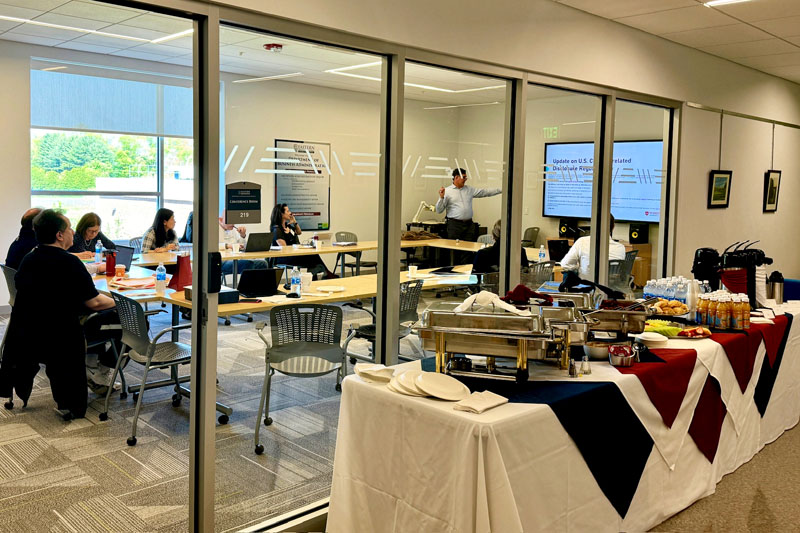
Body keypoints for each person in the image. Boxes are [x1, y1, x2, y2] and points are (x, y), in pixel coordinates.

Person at [0, 210, 116, 419]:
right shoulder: (68, 262)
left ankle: (92, 367)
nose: (73, 232)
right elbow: (95, 302)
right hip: (62, 335)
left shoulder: (30, 258)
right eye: (69, 228)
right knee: (128, 320)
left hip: (32, 332)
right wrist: (121, 301)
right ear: (59, 235)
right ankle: (98, 371)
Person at [436, 168, 501, 264]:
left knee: (468, 250)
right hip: (454, 225)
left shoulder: (469, 190)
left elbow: (485, 192)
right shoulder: (447, 191)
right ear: (456, 177)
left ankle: (466, 270)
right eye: (464, 177)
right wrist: (441, 197)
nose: (466, 179)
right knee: (455, 250)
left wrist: (501, 190)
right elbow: (439, 210)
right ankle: (455, 270)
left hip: (469, 225)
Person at [270, 203, 337, 279]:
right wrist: (296, 247)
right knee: (313, 257)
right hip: (283, 258)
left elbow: (299, 232)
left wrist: (295, 222)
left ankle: (318, 275)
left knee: (313, 256)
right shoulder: (277, 229)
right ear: (281, 214)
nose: (290, 213)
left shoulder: (287, 226)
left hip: (293, 254)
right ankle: (324, 274)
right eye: (288, 211)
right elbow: (284, 248)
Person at [560, 214, 626, 279]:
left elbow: (565, 264)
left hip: (586, 284)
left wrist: (579, 268)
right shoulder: (621, 248)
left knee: (567, 273)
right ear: (613, 227)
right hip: (609, 285)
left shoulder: (582, 242)